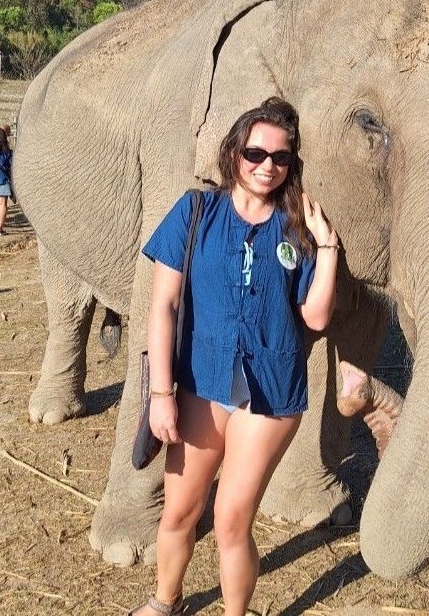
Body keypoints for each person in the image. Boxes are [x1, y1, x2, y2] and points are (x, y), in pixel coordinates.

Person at [131, 97, 339, 616]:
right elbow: (164, 306)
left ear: (291, 165)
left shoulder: (296, 230)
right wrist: (161, 394)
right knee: (178, 510)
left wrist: (328, 249)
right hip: (201, 382)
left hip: (269, 391)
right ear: (233, 154)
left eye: (281, 157)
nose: (267, 165)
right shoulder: (195, 211)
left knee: (230, 519)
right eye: (255, 152)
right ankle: (165, 604)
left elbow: (315, 318)